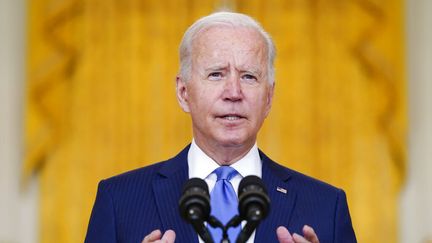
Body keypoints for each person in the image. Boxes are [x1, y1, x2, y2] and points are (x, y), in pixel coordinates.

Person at [84, 11, 356, 243]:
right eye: (216, 74)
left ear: (269, 98)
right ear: (183, 92)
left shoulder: (326, 207)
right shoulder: (118, 201)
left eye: (249, 76)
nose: (234, 92)